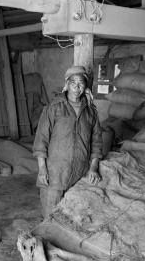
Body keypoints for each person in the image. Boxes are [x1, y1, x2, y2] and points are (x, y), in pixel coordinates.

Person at [33, 65, 103, 219]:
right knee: (50, 215)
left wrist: (93, 168)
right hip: (55, 172)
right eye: (73, 83)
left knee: (73, 216)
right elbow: (41, 140)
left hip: (80, 173)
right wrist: (42, 169)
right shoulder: (54, 108)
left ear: (85, 86)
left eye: (81, 83)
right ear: (67, 84)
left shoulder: (91, 111)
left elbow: (97, 143)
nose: (77, 87)